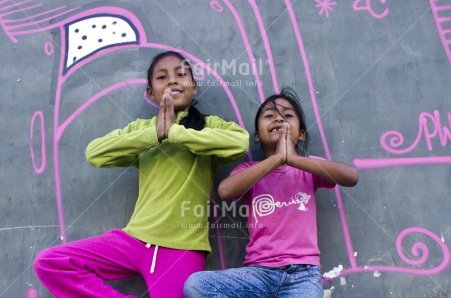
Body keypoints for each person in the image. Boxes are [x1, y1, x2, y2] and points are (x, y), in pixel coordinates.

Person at [33, 51, 249, 298]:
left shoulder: (209, 125)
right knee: (51, 262)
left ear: (194, 87)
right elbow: (95, 153)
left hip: (181, 248)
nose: (172, 81)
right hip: (132, 241)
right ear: (150, 93)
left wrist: (175, 133)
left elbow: (239, 144)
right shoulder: (141, 130)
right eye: (162, 77)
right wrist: (154, 134)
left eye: (181, 74)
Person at [184, 88, 359, 298]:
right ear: (257, 136)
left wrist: (293, 160)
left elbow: (351, 176)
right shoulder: (249, 171)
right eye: (269, 115)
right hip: (258, 274)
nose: (278, 118)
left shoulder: (309, 169)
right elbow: (226, 191)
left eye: (287, 115)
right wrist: (277, 159)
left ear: (301, 134)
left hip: (302, 276)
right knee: (196, 285)